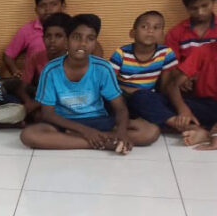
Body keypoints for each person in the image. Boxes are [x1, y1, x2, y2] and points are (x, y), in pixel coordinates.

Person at [20, 14, 159, 154]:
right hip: (64, 122)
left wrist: (122, 133)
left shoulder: (103, 68)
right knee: (29, 135)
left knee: (150, 131)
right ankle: (102, 142)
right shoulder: (51, 70)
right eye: (76, 37)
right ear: (67, 41)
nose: (83, 43)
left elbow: (120, 108)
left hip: (97, 120)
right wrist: (86, 132)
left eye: (90, 39)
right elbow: (48, 114)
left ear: (94, 44)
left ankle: (85, 140)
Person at [109, 11, 187, 131]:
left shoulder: (166, 53)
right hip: (124, 97)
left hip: (148, 98)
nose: (150, 31)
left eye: (156, 27)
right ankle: (174, 123)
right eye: (145, 27)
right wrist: (134, 91)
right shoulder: (121, 53)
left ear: (162, 34)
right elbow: (109, 84)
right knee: (110, 103)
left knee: (156, 100)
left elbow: (164, 87)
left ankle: (154, 118)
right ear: (133, 33)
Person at [14, 12, 71, 120]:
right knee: (10, 99)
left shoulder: (73, 60)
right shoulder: (36, 57)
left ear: (68, 39)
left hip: (66, 102)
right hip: (40, 98)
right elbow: (22, 88)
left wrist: (35, 104)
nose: (52, 41)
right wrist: (28, 102)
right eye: (48, 36)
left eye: (58, 36)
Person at [2, 0, 65, 81]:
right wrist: (16, 72)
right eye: (42, 5)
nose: (48, 9)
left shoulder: (72, 27)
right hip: (37, 82)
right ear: (36, 10)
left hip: (68, 81)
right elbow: (8, 55)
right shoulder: (27, 30)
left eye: (53, 4)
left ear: (63, 6)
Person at [166, 40, 217, 149]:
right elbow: (173, 85)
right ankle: (200, 129)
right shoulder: (204, 50)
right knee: (144, 98)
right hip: (206, 107)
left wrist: (215, 135)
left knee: (158, 116)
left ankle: (206, 132)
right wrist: (183, 109)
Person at [165, 0, 217, 66]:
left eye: (204, 6)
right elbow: (172, 67)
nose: (200, 12)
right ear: (186, 8)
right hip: (185, 75)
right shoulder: (175, 34)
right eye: (194, 8)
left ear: (214, 1)